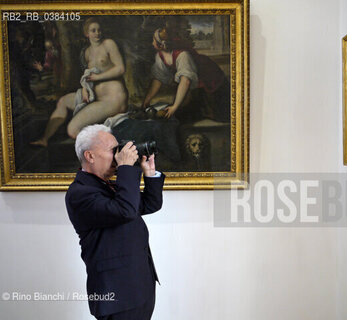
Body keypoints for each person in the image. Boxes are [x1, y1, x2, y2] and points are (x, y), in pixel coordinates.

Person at [65, 124, 165, 320]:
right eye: (113, 151)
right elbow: (125, 210)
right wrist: (126, 168)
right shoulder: (79, 193)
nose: (118, 155)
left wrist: (150, 173)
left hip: (139, 286)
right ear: (90, 156)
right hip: (116, 294)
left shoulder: (108, 185)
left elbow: (149, 204)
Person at [31, 18, 127, 147]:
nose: (97, 33)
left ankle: (107, 147)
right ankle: (45, 139)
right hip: (95, 96)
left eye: (99, 30)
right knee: (63, 101)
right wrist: (84, 89)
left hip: (112, 100)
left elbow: (120, 68)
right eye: (93, 31)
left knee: (72, 130)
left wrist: (98, 78)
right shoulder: (86, 52)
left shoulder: (108, 44)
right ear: (86, 34)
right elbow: (88, 76)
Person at [142, 28, 230, 123]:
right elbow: (158, 79)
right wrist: (147, 99)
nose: (152, 43)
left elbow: (185, 81)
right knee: (187, 111)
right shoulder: (160, 55)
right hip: (196, 83)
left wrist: (175, 106)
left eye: (153, 40)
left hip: (210, 77)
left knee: (217, 113)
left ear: (161, 44)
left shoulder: (183, 55)